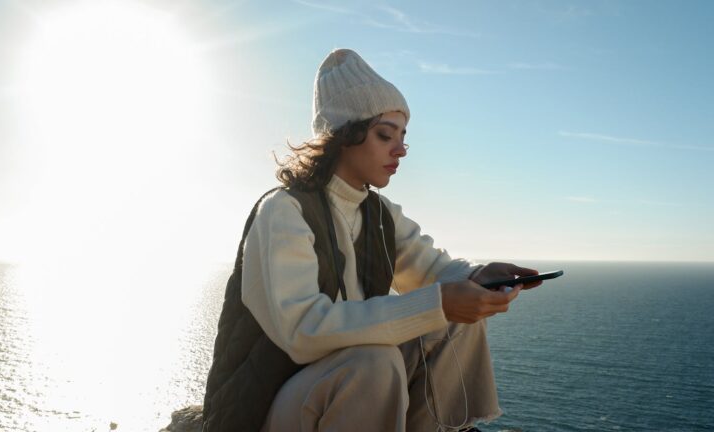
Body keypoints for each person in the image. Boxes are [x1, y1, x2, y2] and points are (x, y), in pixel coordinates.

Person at [200, 48, 542, 432]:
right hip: (266, 406)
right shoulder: (284, 210)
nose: (400, 150)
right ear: (345, 134)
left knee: (458, 322)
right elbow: (303, 331)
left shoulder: (379, 214)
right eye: (385, 135)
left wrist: (480, 276)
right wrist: (440, 302)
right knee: (375, 361)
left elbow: (431, 269)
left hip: (342, 385)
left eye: (402, 137)